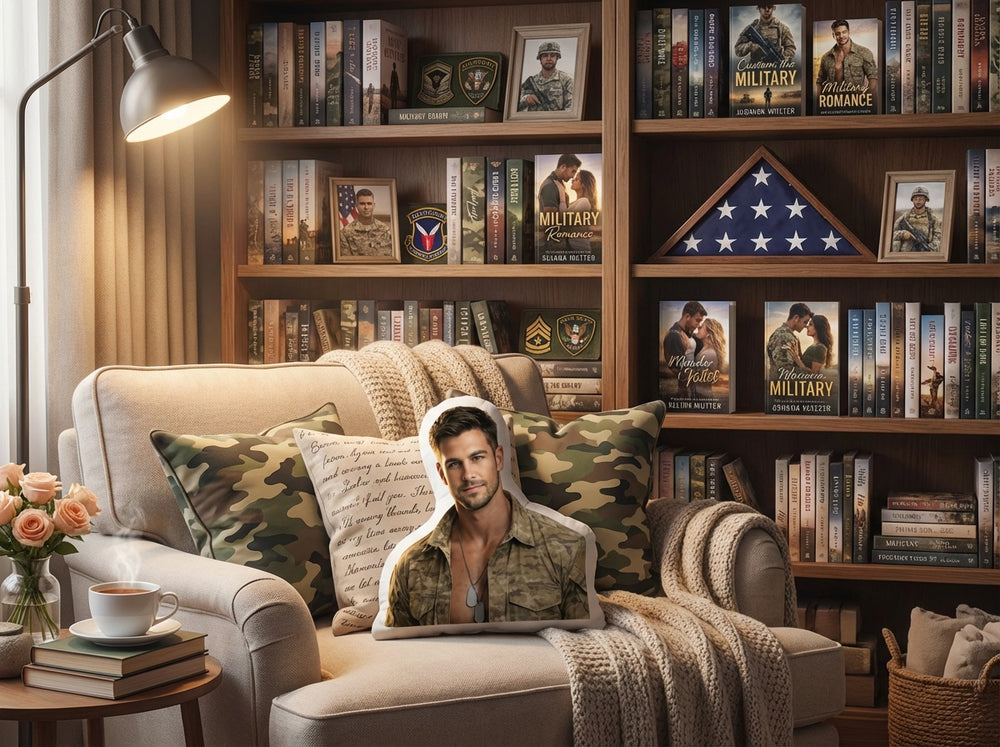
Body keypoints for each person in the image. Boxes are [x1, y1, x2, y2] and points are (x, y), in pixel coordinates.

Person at [385, 405, 590, 627]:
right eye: (454, 464)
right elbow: (398, 654)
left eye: (477, 457)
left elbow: (584, 646)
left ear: (498, 458)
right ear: (442, 474)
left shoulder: (564, 548)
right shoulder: (412, 564)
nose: (468, 474)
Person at [815, 20, 877, 102]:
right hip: (832, 106)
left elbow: (873, 77)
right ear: (833, 35)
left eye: (844, 32)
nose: (841, 36)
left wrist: (865, 100)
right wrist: (820, 101)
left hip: (857, 105)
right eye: (837, 33)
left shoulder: (863, 52)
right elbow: (820, 81)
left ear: (849, 32)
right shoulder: (826, 58)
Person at [537, 154, 581, 251]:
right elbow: (552, 220)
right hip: (554, 244)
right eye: (573, 171)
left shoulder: (558, 183)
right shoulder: (550, 186)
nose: (573, 176)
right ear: (563, 167)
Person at [662, 301, 706, 396]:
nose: (699, 325)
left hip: (692, 386)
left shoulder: (687, 332)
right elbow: (677, 369)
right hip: (685, 389)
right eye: (697, 320)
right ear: (687, 317)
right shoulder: (674, 336)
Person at [518, 40, 573, 112]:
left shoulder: (566, 80)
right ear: (540, 58)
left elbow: (571, 109)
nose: (549, 59)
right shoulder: (531, 82)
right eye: (545, 55)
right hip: (534, 121)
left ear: (557, 58)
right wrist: (526, 99)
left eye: (552, 55)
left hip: (558, 121)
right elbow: (514, 107)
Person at [338, 188, 393, 257]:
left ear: (374, 205)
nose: (366, 207)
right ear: (356, 205)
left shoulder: (385, 230)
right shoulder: (345, 232)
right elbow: (346, 260)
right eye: (362, 204)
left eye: (369, 204)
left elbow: (389, 257)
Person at [766, 302, 813, 378]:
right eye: (805, 322)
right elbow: (785, 372)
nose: (806, 326)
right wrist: (807, 372)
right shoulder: (783, 337)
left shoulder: (789, 336)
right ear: (796, 318)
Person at [891, 185, 942, 253]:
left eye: (920, 199)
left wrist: (930, 250)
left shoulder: (934, 218)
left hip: (926, 252)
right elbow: (891, 234)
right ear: (912, 200)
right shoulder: (905, 217)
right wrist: (902, 234)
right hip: (906, 253)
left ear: (926, 200)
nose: (918, 201)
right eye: (916, 199)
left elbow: (938, 237)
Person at [563, 169, 599, 252]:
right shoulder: (575, 203)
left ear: (583, 185)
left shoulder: (584, 202)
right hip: (574, 250)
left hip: (580, 251)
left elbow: (565, 222)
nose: (572, 180)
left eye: (576, 179)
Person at [691, 317, 727, 398]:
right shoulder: (704, 349)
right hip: (700, 395)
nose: (698, 327)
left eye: (701, 327)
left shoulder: (709, 354)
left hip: (702, 396)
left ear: (708, 333)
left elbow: (701, 379)